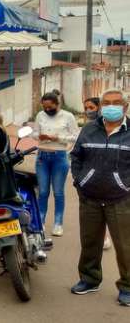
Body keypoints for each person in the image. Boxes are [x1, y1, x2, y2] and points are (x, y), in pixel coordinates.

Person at [69, 89, 130, 307]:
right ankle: (89, 279)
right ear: (101, 105)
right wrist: (80, 181)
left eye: (116, 102)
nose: (111, 106)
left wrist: (126, 185)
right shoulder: (88, 129)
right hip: (90, 197)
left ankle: (127, 287)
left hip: (121, 199)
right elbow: (76, 156)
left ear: (125, 106)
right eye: (106, 102)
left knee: (125, 246)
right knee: (90, 242)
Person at [32, 91, 79, 237]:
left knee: (58, 192)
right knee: (43, 192)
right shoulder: (40, 115)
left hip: (59, 156)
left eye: (50, 107)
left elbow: (76, 136)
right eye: (45, 107)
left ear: (57, 104)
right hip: (42, 156)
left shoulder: (68, 116)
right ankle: (40, 222)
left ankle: (58, 224)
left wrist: (57, 137)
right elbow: (34, 133)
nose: (47, 110)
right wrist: (39, 136)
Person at [84, 97, 112, 250]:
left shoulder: (107, 125)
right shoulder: (89, 126)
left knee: (107, 207)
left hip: (109, 174)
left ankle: (106, 237)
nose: (88, 110)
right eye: (86, 107)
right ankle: (98, 238)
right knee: (95, 210)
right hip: (91, 176)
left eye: (91, 107)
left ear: (99, 107)